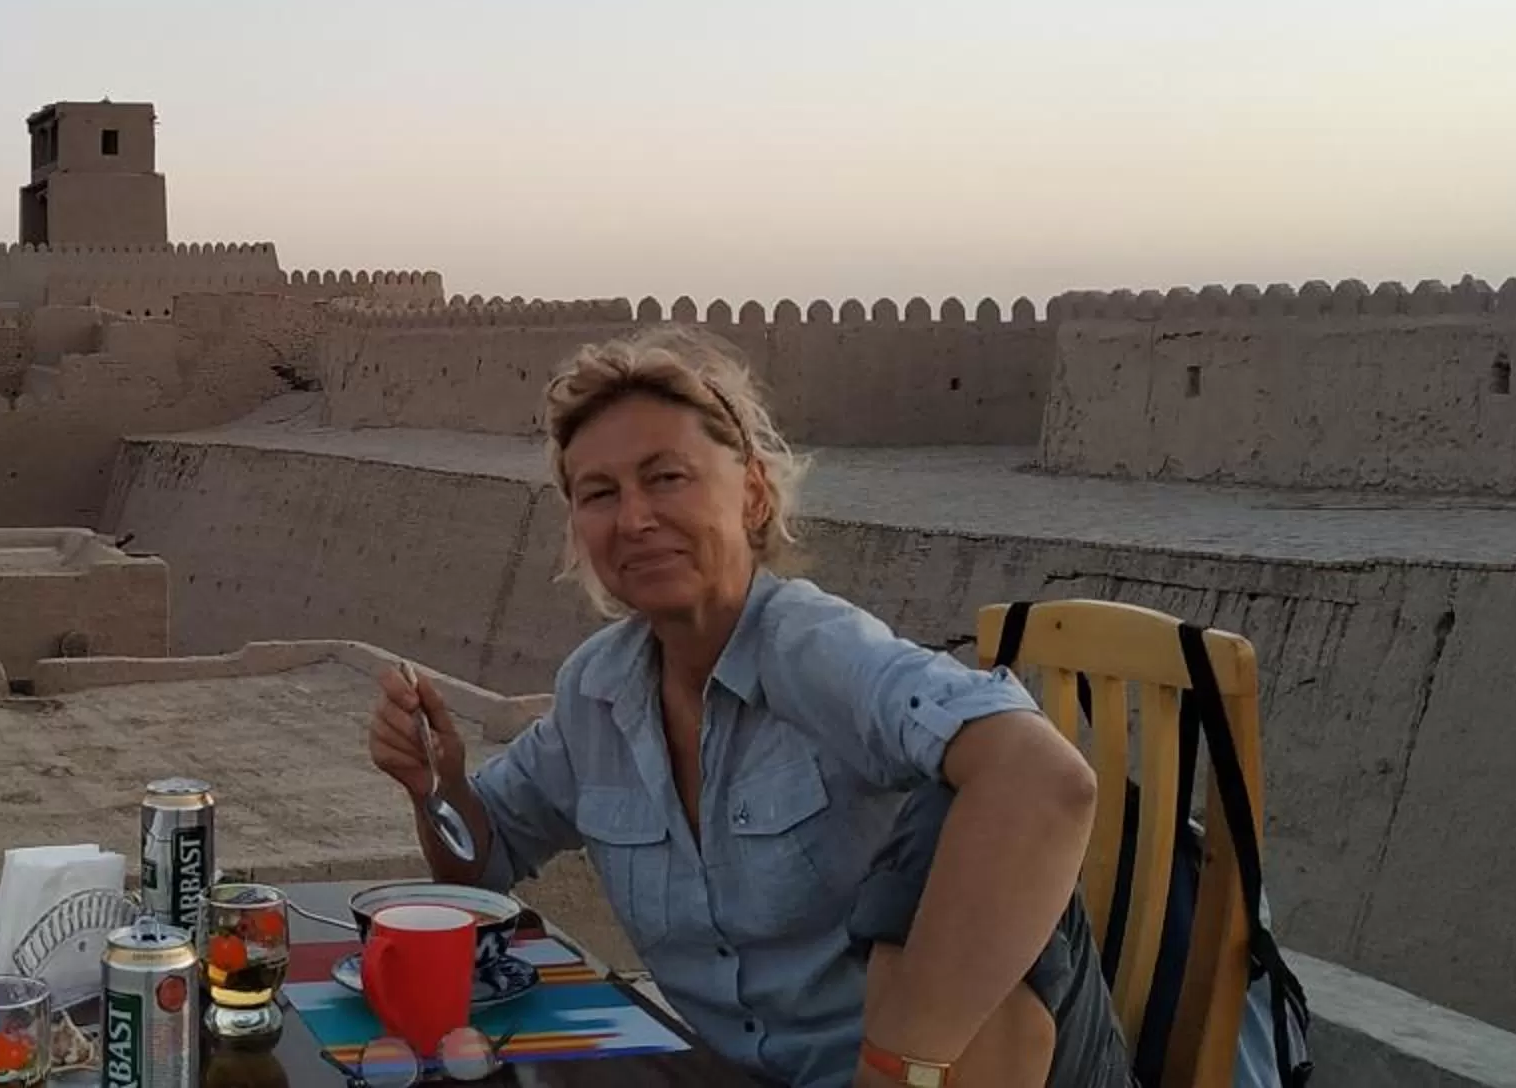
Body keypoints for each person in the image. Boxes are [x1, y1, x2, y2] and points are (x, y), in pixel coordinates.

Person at [367, 329, 1124, 1088]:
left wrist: (895, 1069)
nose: (634, 519)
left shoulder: (816, 649)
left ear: (753, 492)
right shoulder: (597, 693)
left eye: (666, 478)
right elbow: (480, 862)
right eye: (600, 494)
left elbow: (1043, 779)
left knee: (957, 798)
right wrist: (436, 788)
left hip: (954, 1073)